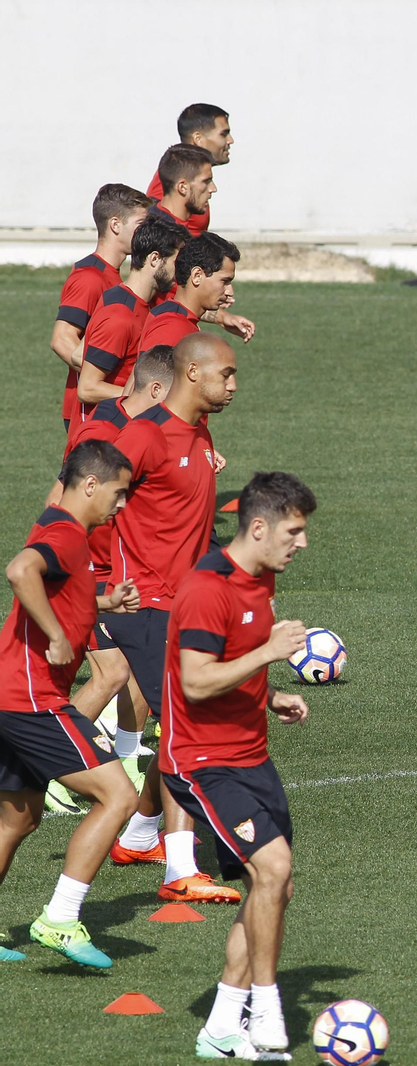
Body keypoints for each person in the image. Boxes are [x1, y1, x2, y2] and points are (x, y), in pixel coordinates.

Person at [165, 472, 315, 1060]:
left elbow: (233, 659)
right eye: (294, 531)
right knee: (273, 868)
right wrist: (269, 652)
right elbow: (197, 681)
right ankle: (267, 1006)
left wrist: (270, 691)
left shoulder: (263, 577)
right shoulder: (207, 588)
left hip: (251, 756)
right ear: (259, 527)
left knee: (270, 887)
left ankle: (222, 1025)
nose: (301, 543)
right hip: (201, 762)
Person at [104, 333, 240, 904]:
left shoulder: (200, 432)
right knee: (187, 730)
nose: (233, 385)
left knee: (182, 727)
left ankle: (136, 835)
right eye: (226, 374)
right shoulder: (146, 434)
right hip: (147, 607)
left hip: (184, 606)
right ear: (191, 374)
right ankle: (179, 869)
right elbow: (79, 497)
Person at [0, 441, 139, 968]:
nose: (121, 504)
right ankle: (59, 919)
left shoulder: (58, 524)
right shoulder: (64, 534)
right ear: (90, 486)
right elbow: (20, 571)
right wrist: (57, 635)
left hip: (10, 693)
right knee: (119, 796)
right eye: (118, 493)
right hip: (32, 698)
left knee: (16, 820)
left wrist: (102, 602)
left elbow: (57, 584)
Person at [51, 348, 179, 805]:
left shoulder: (149, 434)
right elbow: (59, 497)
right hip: (90, 570)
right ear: (159, 390)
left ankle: (124, 755)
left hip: (121, 571)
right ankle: (49, 770)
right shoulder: (105, 433)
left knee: (136, 671)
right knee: (111, 674)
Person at [51, 184, 152, 428]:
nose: (147, 232)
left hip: (105, 402)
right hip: (89, 410)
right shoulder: (90, 277)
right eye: (141, 225)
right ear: (116, 225)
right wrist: (98, 380)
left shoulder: (115, 276)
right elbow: (62, 339)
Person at [75, 219, 188, 415]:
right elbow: (88, 388)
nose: (179, 273)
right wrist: (147, 397)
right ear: (154, 259)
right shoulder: (120, 316)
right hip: (105, 436)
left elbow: (78, 353)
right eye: (176, 263)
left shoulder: (132, 299)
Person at [139, 232, 255, 354]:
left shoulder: (177, 318)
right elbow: (147, 373)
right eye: (225, 281)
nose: (230, 292)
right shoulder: (173, 328)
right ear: (197, 276)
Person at [147, 103, 232, 237]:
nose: (230, 140)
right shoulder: (173, 178)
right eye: (223, 134)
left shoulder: (194, 177)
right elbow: (156, 232)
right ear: (198, 139)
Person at [149, 144, 217, 236]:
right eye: (206, 181)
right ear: (183, 187)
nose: (213, 189)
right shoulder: (158, 236)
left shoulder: (174, 229)